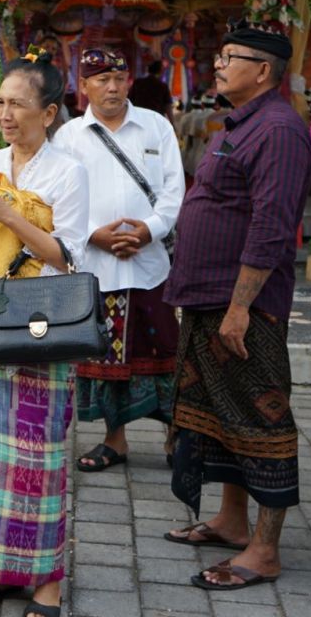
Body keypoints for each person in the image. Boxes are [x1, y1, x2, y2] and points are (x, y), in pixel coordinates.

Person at [161, 19, 311, 591]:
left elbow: (272, 229)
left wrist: (241, 306)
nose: (218, 64)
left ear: (264, 71)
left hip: (243, 307)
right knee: (220, 418)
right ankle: (230, 521)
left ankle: (265, 550)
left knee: (259, 421)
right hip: (208, 298)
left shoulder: (278, 129)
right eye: (220, 55)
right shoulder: (239, 123)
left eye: (230, 56)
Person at [0, 50, 89, 617]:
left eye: (18, 104)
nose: (6, 114)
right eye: (1, 102)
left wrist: (4, 210)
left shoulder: (68, 172)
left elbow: (66, 256)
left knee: (41, 458)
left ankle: (47, 583)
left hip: (44, 326)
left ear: (49, 112)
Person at [53, 48, 183, 473]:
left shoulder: (156, 126)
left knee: (165, 348)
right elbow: (59, 197)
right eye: (101, 79)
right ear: (83, 86)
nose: (112, 87)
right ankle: (114, 440)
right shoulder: (69, 136)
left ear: (129, 81)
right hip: (97, 263)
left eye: (119, 77)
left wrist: (148, 230)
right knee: (106, 360)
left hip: (149, 263)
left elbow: (173, 190)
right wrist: (95, 234)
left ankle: (175, 438)